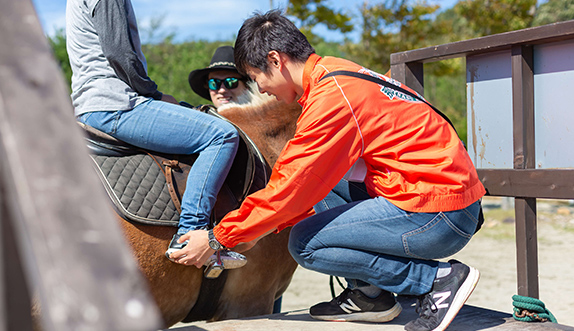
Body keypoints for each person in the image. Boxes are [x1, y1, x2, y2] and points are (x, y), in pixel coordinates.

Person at [170, 10, 486, 331]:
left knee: (305, 243)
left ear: (276, 60)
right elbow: (305, 187)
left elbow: (288, 188)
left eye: (256, 76)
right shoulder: (336, 73)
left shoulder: (331, 100)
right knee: (326, 187)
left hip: (439, 214)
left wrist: (218, 237)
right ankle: (370, 295)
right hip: (442, 197)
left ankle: (436, 280)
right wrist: (259, 229)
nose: (261, 89)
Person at [65, 0, 246, 269]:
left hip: (92, 104)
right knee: (221, 135)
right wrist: (153, 94)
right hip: (116, 103)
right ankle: (190, 234)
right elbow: (120, 54)